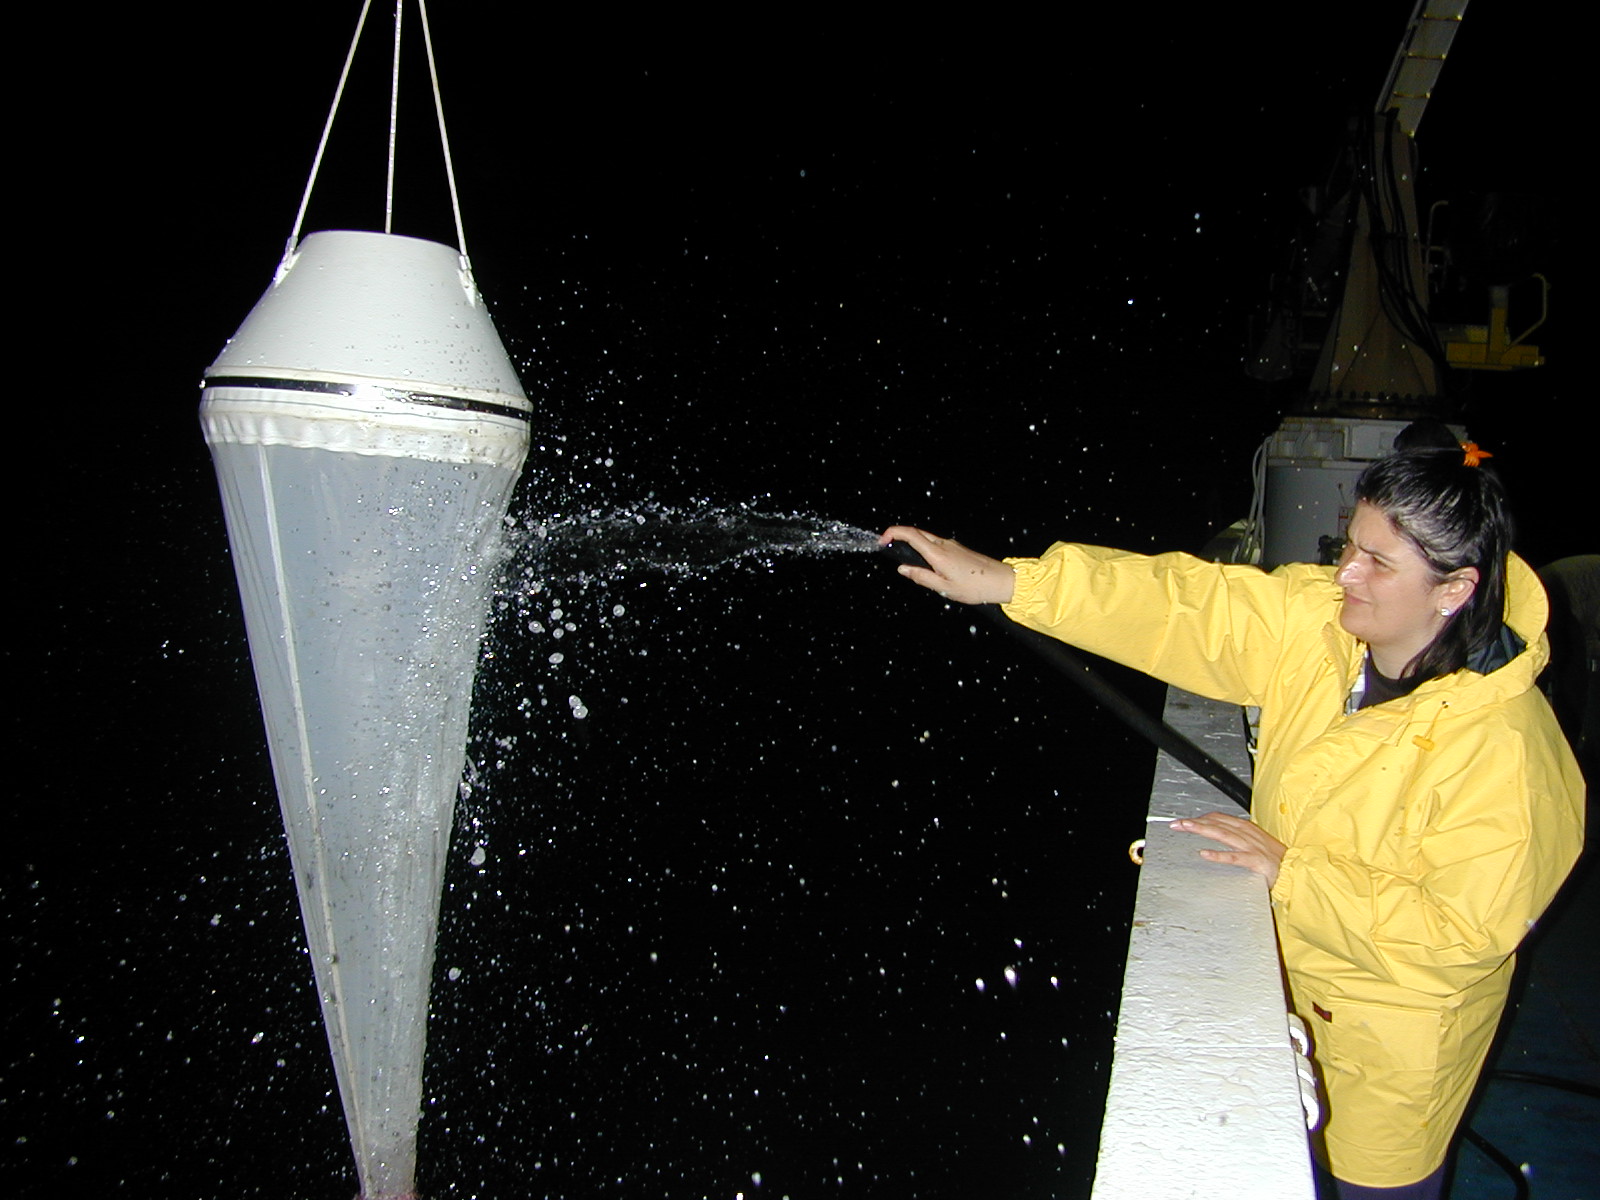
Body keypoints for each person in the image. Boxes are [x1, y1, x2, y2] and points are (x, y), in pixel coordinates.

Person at [881, 445, 1584, 1199]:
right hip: (1290, 979)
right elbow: (1188, 606)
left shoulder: (1508, 752)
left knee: (1373, 1186)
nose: (1344, 571)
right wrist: (1015, 581)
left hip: (1393, 1046)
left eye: (1377, 562)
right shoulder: (1321, 627)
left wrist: (1295, 874)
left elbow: (1458, 936)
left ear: (1455, 589)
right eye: (1351, 541)